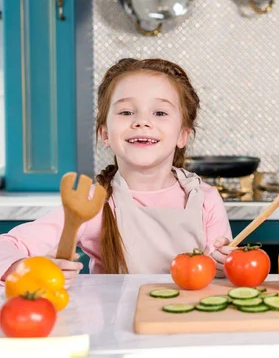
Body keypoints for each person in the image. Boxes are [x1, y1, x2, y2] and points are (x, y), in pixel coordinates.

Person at [0, 58, 233, 287]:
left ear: (183, 134)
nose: (142, 121)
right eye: (126, 112)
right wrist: (26, 269)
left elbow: (219, 274)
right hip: (113, 324)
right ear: (105, 134)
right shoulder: (92, 203)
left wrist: (223, 265)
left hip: (187, 322)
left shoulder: (205, 199)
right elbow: (7, 246)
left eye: (160, 113)